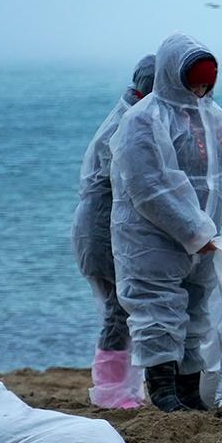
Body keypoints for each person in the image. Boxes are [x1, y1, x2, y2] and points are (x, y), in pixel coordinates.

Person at [109, 33, 222, 413]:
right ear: (173, 75)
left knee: (195, 312)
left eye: (207, 82)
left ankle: (189, 390)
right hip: (151, 237)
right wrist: (194, 230)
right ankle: (163, 390)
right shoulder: (142, 120)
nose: (200, 88)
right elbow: (150, 186)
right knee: (157, 310)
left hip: (203, 237)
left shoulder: (214, 118)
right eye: (194, 81)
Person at [70, 53, 156, 408]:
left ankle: (124, 387)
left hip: (98, 226)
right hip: (102, 231)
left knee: (120, 306)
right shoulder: (125, 125)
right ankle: (111, 390)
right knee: (119, 309)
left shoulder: (125, 116)